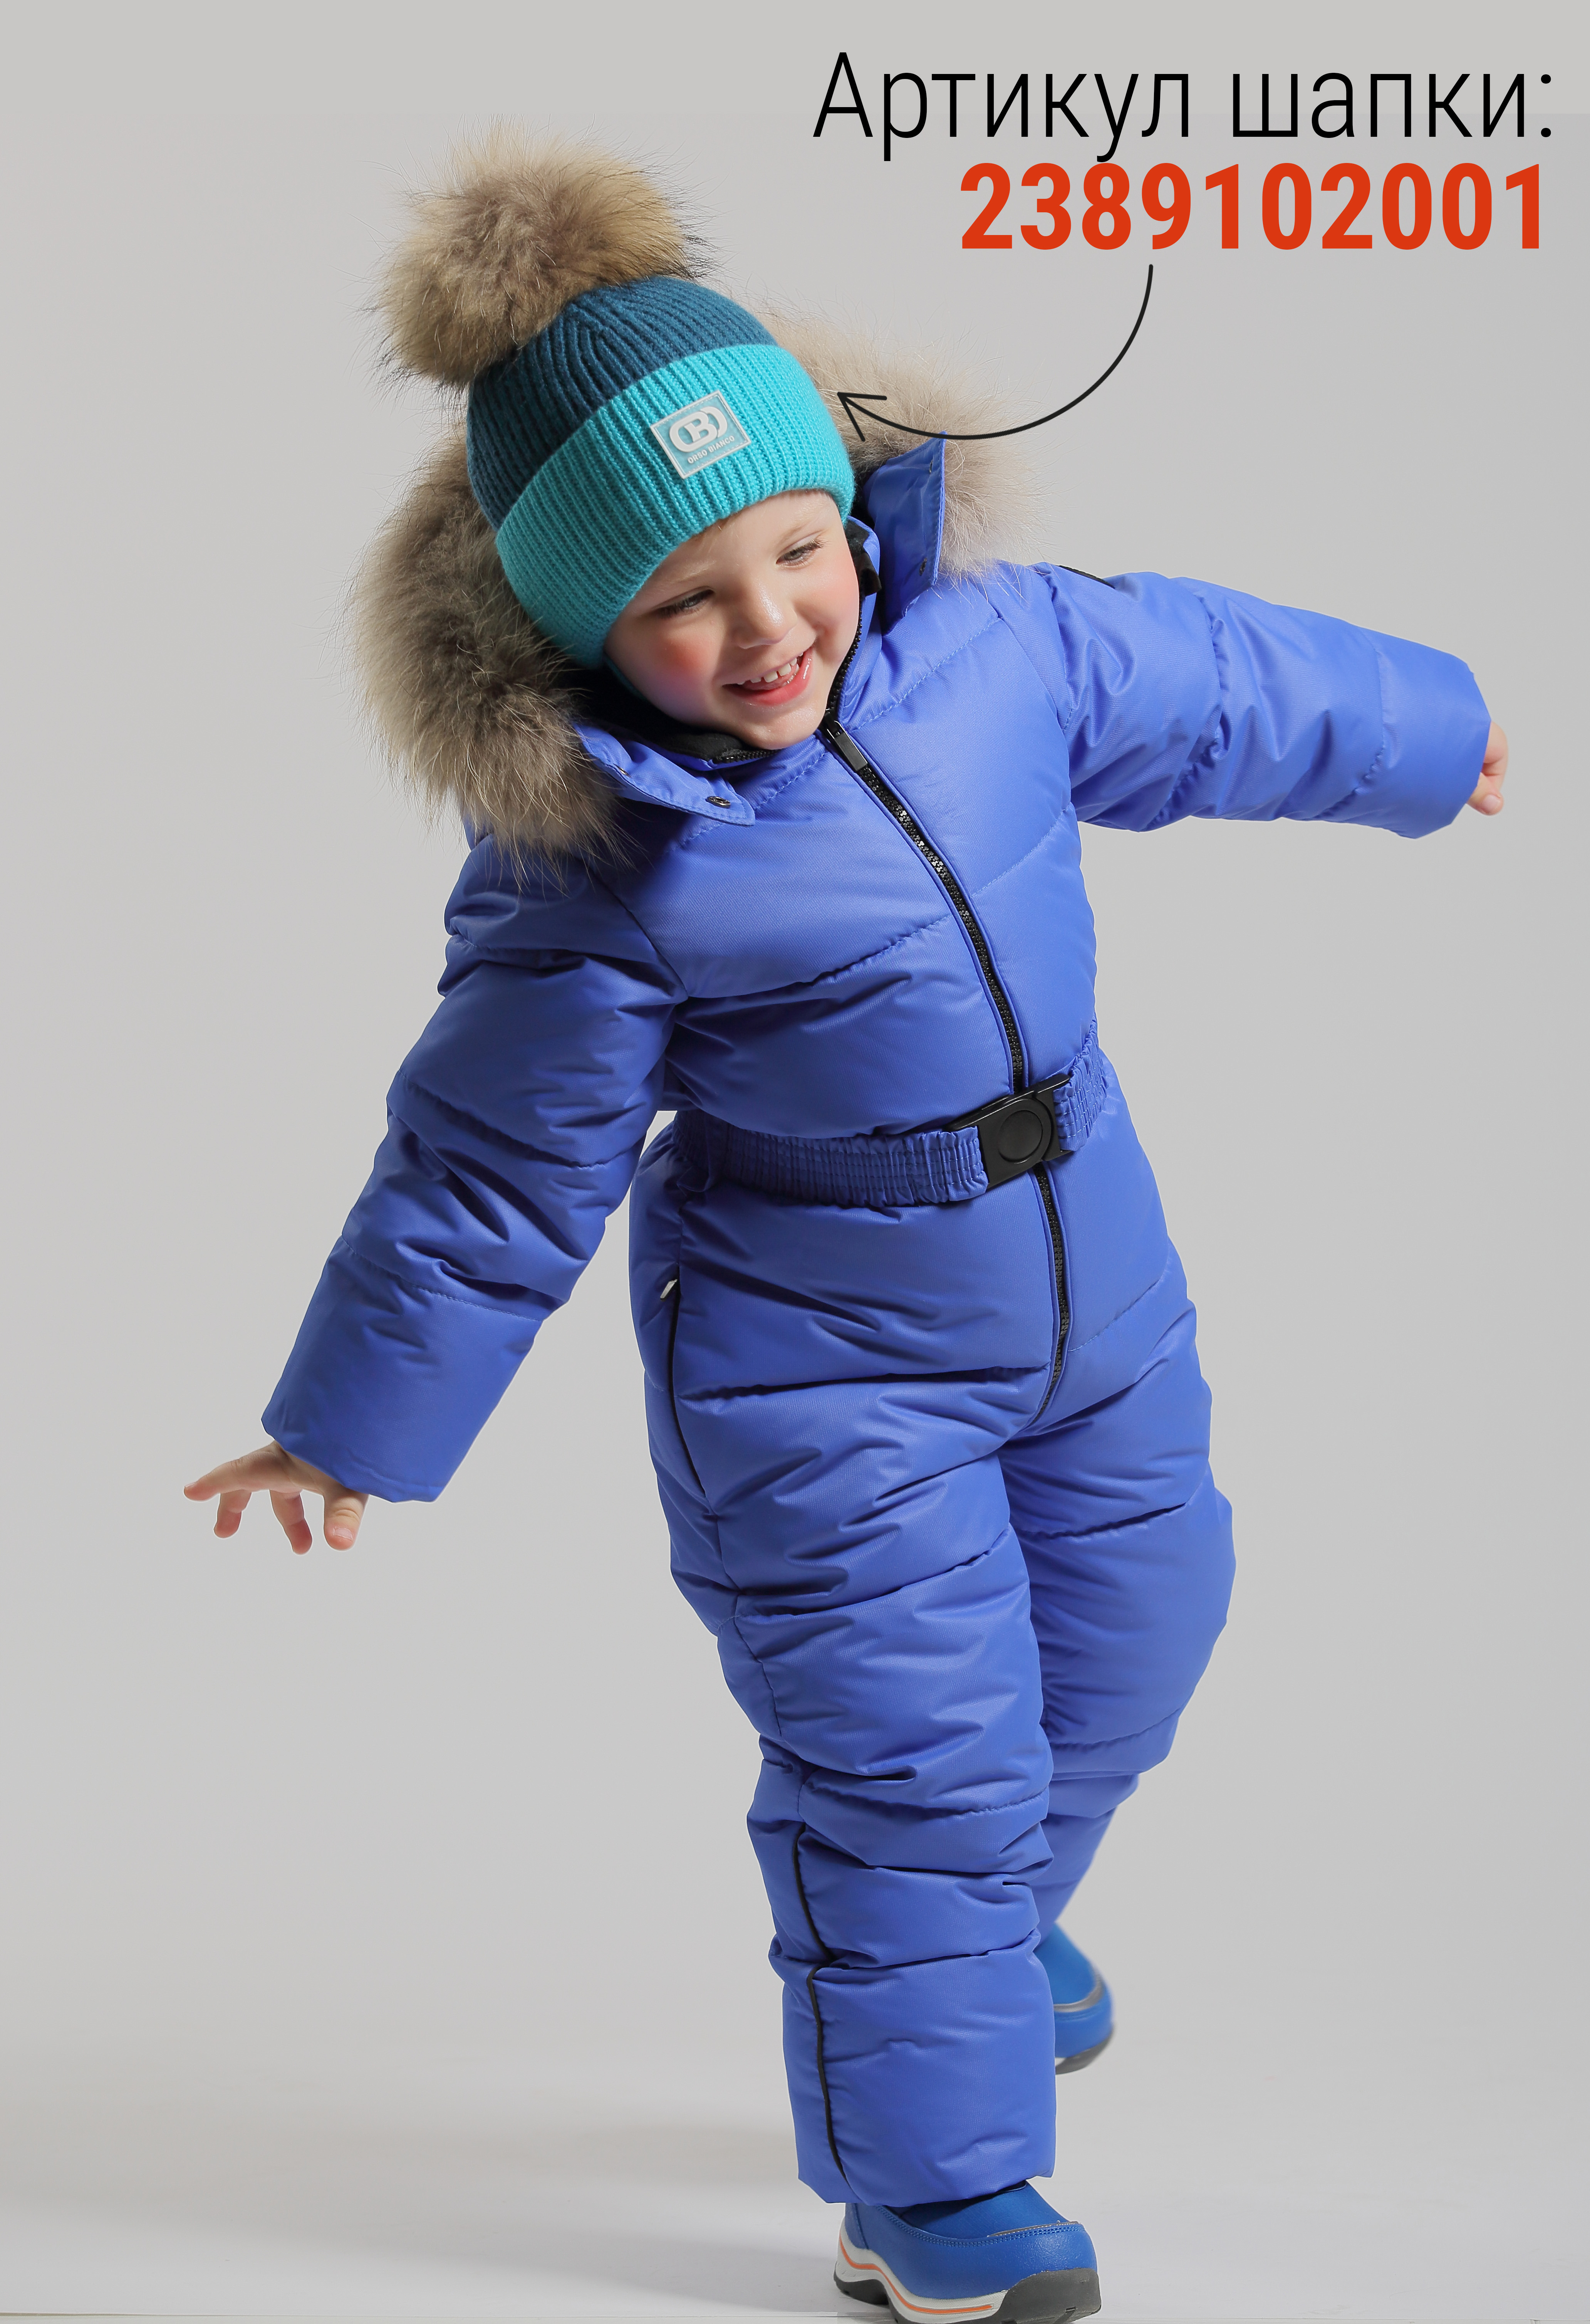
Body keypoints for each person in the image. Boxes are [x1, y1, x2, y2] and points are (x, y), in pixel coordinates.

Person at [184, 134, 1506, 2324]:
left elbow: (1208, 679)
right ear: (582, 630)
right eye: (684, 601)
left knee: (1149, 1628)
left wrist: (1422, 735)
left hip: (1094, 1286)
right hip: (818, 1376)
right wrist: (349, 1418)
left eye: (796, 550)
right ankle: (932, 2197)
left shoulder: (997, 652)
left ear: (853, 510)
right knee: (917, 1766)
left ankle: (973, 1940)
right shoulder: (598, 869)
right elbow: (489, 1166)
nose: (769, 625)